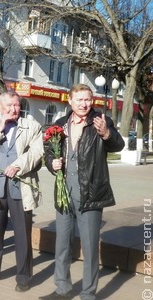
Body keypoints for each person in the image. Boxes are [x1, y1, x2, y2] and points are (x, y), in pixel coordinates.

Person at [40, 84, 125, 300]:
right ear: (70, 101)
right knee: (62, 244)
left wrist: (106, 133)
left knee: (88, 248)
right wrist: (52, 163)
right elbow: (48, 151)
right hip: (64, 190)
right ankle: (62, 289)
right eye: (79, 100)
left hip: (91, 191)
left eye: (87, 99)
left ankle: (88, 293)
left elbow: (118, 145)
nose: (84, 104)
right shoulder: (60, 124)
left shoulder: (100, 121)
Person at [0, 91, 43, 292]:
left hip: (20, 187)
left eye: (17, 105)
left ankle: (23, 277)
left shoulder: (32, 126)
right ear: (0, 107)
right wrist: (0, 129)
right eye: (9, 106)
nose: (14, 109)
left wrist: (18, 165)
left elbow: (37, 152)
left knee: (22, 235)